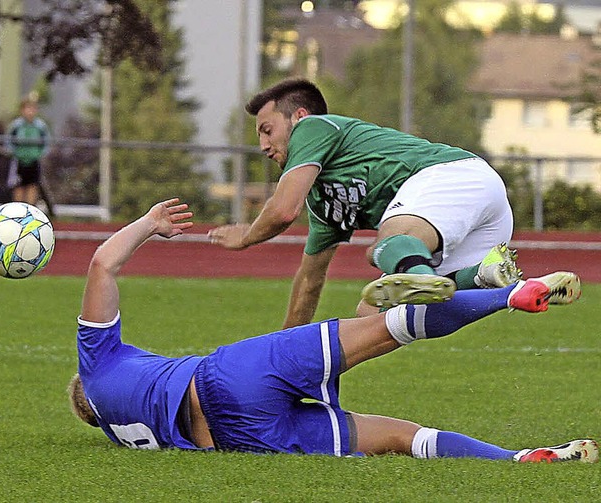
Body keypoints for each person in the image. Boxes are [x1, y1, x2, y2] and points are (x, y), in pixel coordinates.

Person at [68, 197, 597, 464]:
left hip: (239, 439)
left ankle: (517, 459)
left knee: (398, 436)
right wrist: (148, 224)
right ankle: (505, 291)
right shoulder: (97, 365)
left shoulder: (119, 433)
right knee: (390, 327)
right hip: (226, 377)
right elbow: (100, 264)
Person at [208, 78, 523, 328]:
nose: (263, 145)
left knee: (384, 248)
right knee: (372, 312)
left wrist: (247, 236)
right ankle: (485, 275)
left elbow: (283, 209)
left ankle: (419, 272)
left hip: (454, 175)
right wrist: (283, 348)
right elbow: (309, 280)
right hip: (484, 215)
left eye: (267, 130)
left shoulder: (314, 127)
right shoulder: (323, 203)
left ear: (299, 117)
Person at [5, 96, 52, 205]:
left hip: (34, 161)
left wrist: (39, 154)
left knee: (33, 185)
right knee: (18, 186)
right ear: (22, 110)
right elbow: (9, 141)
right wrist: (14, 153)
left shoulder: (40, 126)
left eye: (33, 108)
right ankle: (18, 211)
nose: (30, 111)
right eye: (28, 108)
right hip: (19, 161)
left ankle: (29, 210)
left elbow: (46, 143)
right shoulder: (16, 125)